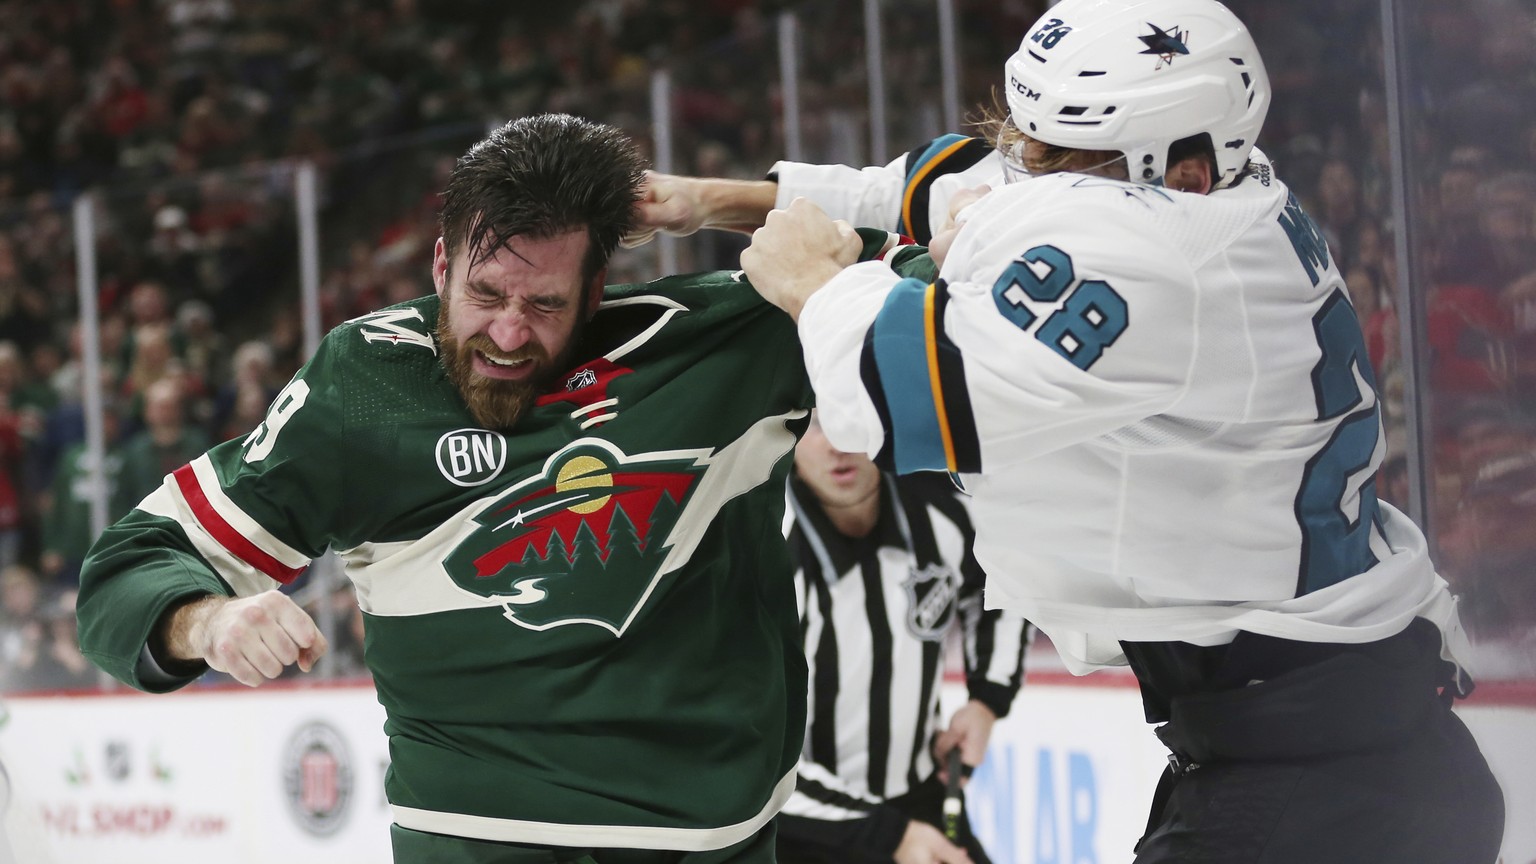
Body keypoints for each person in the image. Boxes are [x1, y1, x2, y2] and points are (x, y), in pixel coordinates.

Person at [634, 1, 1507, 862]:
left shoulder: (1163, 258)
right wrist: (709, 201)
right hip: (1331, 736)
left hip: (1320, 785)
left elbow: (904, 399)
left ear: (1189, 174)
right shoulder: (1175, 183)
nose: (1025, 180)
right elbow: (953, 189)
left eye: (1061, 167)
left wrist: (818, 284)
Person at [75, 113, 935, 864]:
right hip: (470, 832)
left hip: (707, 837)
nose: (508, 332)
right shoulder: (365, 382)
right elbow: (126, 569)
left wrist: (727, 201)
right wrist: (209, 619)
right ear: (442, 263)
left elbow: (968, 243)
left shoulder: (721, 339)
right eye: (484, 294)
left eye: (547, 304)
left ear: (596, 289)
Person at [778, 413, 1028, 864]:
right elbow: (752, 756)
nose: (838, 443)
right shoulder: (763, 547)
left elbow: (1004, 585)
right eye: (817, 425)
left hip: (919, 800)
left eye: (847, 416)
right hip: (804, 828)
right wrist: (886, 835)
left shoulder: (946, 511)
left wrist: (986, 700)